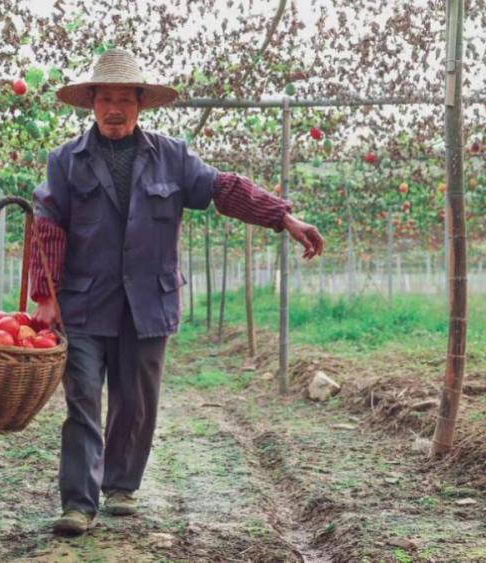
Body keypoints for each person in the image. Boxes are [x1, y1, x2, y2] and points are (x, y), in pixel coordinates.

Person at [27, 48, 325, 535]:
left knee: (136, 397)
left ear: (141, 104)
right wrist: (45, 295)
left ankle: (121, 484)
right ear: (92, 103)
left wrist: (282, 216)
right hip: (83, 300)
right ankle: (78, 503)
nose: (115, 108)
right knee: (82, 396)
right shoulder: (66, 161)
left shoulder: (172, 156)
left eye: (125, 98)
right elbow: (47, 226)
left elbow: (224, 189)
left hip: (147, 300)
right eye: (106, 98)